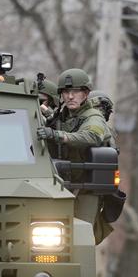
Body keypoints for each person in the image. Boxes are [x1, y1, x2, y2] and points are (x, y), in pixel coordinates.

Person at [36, 68, 113, 243]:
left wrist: (58, 136)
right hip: (60, 186)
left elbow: (92, 136)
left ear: (85, 94)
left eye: (76, 92)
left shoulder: (93, 117)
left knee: (80, 238)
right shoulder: (62, 116)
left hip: (85, 189)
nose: (71, 96)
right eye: (66, 92)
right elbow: (58, 123)